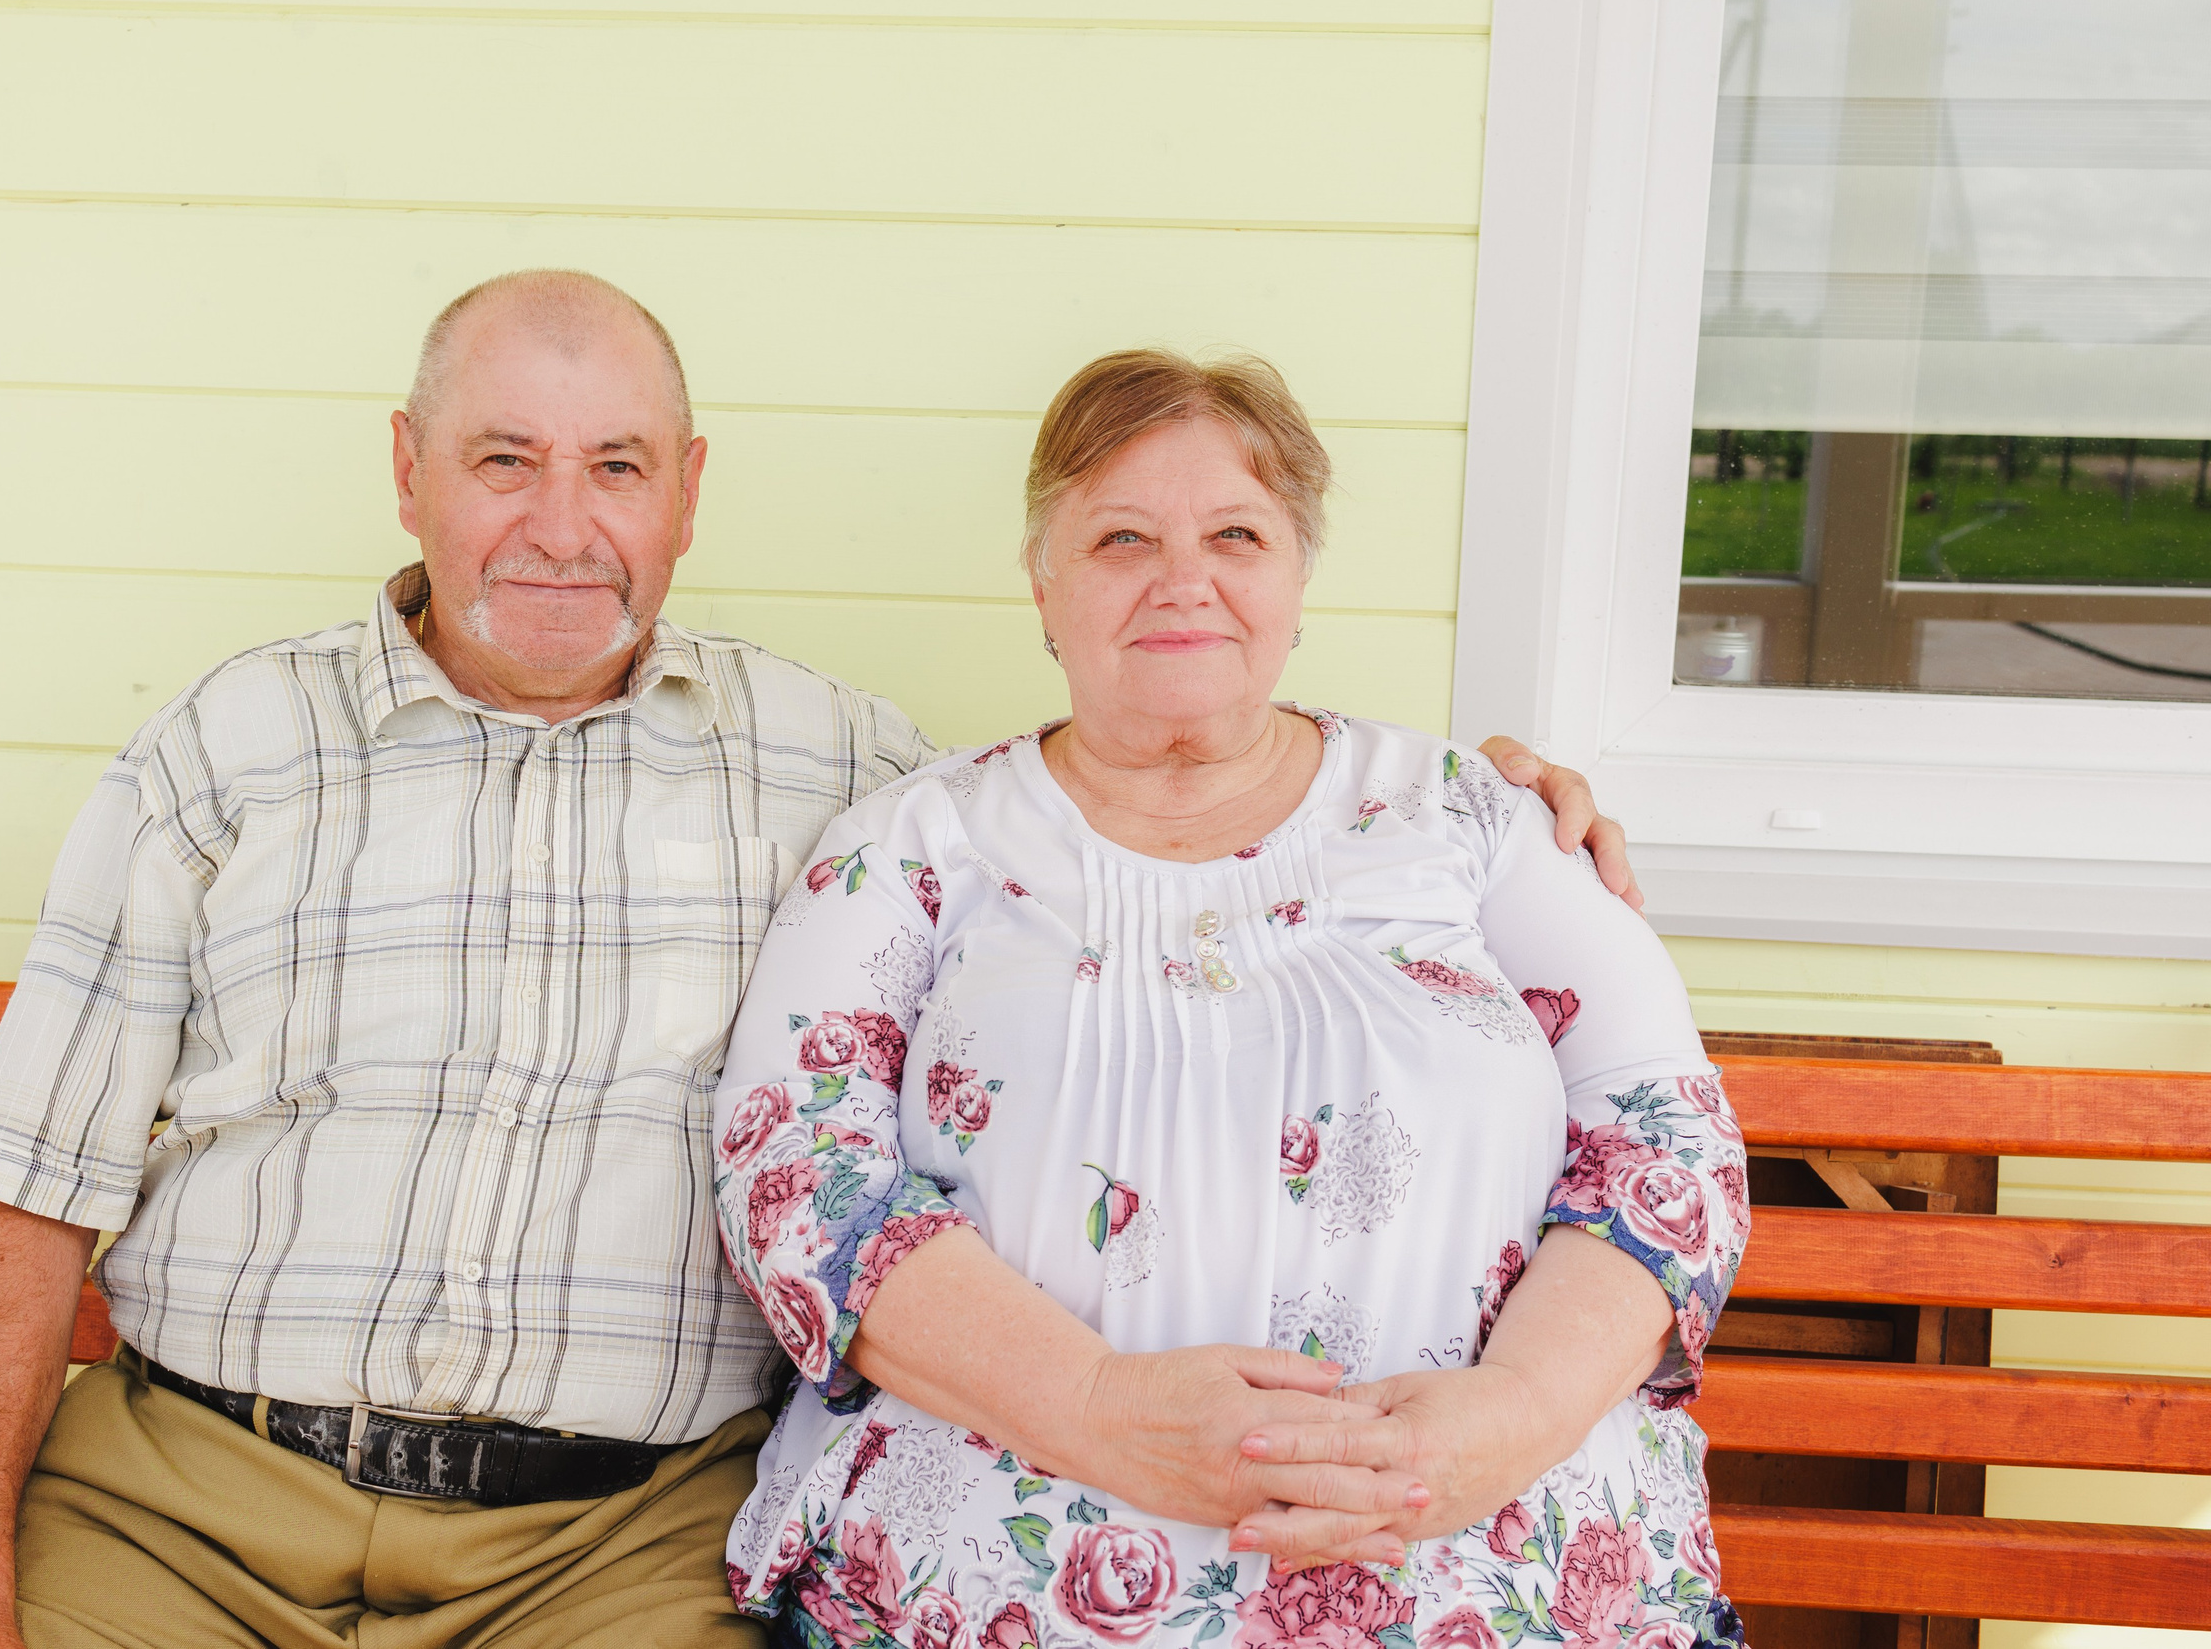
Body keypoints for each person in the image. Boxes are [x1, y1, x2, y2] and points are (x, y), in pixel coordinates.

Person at [0, 271, 1636, 1649]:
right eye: (505, 460)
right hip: (191, 1501)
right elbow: (27, 1190)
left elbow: (1142, 805)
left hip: (603, 1550)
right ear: (410, 468)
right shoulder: (230, 749)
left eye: (619, 467)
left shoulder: (841, 775)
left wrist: (1492, 826)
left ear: (691, 491)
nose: (561, 525)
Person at [712, 349, 1749, 1648]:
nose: (1181, 578)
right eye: (1122, 537)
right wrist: (1094, 1406)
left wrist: (1512, 1419)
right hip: (1004, 1579)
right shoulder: (915, 846)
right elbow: (795, 1174)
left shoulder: (1474, 821)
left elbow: (1666, 1137)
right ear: (1043, 581)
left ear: (1297, 574)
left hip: (1493, 1557)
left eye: (1236, 533)